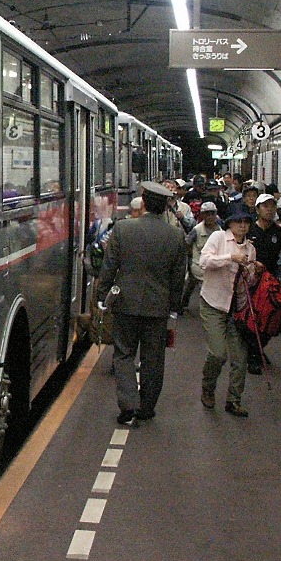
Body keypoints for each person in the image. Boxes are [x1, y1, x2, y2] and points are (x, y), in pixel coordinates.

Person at [97, 181, 187, 424]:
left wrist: (101, 295)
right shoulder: (176, 236)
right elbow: (179, 278)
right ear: (166, 207)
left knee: (124, 354)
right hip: (158, 308)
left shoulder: (123, 229)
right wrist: (174, 308)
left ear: (144, 203)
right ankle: (146, 407)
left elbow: (109, 267)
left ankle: (128, 404)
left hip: (125, 303)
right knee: (153, 358)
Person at [199, 209, 263, 417]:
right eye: (238, 222)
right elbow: (204, 262)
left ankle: (234, 399)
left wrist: (253, 271)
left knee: (240, 357)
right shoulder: (218, 238)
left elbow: (249, 282)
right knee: (217, 353)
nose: (242, 226)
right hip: (214, 303)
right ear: (230, 224)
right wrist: (230, 258)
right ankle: (208, 387)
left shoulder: (250, 249)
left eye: (246, 222)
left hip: (238, 308)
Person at [245, 193, 281, 373]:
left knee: (271, 318)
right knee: (252, 317)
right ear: (258, 209)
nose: (269, 209)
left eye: (272, 206)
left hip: (271, 280)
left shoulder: (280, 233)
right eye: (265, 206)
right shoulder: (249, 231)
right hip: (250, 279)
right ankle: (253, 354)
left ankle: (258, 348)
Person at [181, 200, 221, 312]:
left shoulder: (220, 228)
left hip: (215, 262)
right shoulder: (197, 230)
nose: (210, 217)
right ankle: (182, 304)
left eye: (212, 214)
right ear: (202, 215)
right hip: (198, 264)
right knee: (190, 285)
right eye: (207, 214)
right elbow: (187, 243)